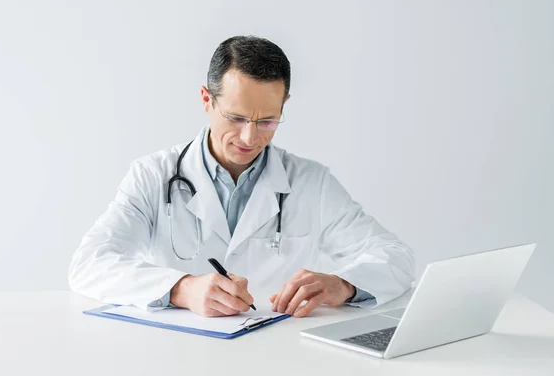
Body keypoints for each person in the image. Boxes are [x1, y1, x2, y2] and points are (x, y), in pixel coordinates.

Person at [68, 35, 415, 318]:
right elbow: (89, 264)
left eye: (267, 121)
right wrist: (182, 289)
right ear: (207, 99)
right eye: (235, 118)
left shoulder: (312, 182)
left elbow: (395, 256)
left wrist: (344, 284)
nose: (250, 138)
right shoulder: (152, 175)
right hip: (176, 354)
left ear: (284, 105)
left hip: (275, 351)